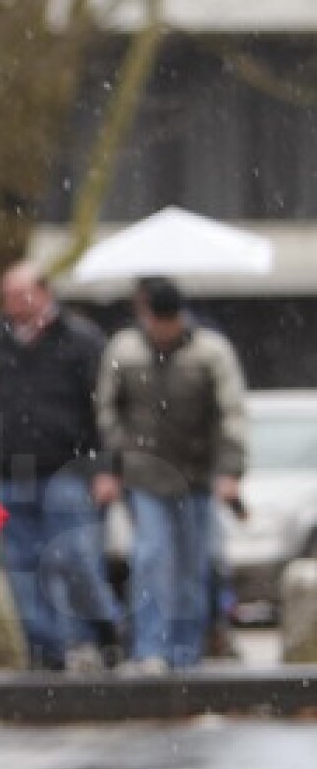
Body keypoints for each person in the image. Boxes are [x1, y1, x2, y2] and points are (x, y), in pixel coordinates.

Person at [0, 261, 122, 672]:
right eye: (8, 296)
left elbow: (102, 410)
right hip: (14, 471)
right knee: (23, 568)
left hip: (68, 468)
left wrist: (106, 467)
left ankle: (100, 632)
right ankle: (48, 647)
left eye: (20, 294)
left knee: (75, 558)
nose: (12, 304)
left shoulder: (79, 341)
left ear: (44, 293)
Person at [95, 277, 247, 673]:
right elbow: (108, 413)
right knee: (152, 558)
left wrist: (229, 471)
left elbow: (231, 414)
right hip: (145, 475)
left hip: (195, 476)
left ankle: (186, 650)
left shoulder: (210, 353)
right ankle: (150, 649)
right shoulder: (125, 351)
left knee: (193, 566)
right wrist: (112, 468)